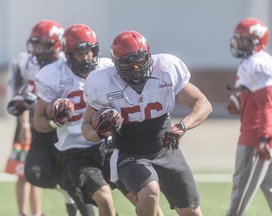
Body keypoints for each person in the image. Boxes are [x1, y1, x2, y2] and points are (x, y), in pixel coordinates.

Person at [81, 30, 212, 216]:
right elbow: (86, 126)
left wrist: (183, 126)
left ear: (148, 55)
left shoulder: (167, 68)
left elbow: (203, 104)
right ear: (116, 65)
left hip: (165, 148)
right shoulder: (102, 81)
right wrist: (100, 133)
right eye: (129, 65)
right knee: (150, 193)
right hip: (129, 152)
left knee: (192, 212)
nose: (136, 69)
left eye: (140, 62)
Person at [7, 19, 95, 216]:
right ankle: (66, 191)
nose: (37, 49)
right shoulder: (29, 62)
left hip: (68, 131)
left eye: (43, 44)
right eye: (35, 43)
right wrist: (22, 101)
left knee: (74, 180)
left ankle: (75, 198)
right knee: (34, 173)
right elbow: (28, 89)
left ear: (56, 44)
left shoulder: (68, 64)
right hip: (43, 125)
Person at [33, 23, 119, 216]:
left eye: (89, 51)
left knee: (142, 195)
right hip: (76, 150)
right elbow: (39, 123)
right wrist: (56, 121)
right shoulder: (52, 75)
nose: (86, 57)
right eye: (80, 53)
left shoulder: (108, 68)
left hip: (110, 144)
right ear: (68, 54)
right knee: (104, 199)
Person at [226, 18, 272, 216]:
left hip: (257, 138)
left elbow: (268, 104)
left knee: (239, 197)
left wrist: (263, 139)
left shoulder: (255, 64)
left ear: (256, 41)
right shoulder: (264, 60)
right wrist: (240, 97)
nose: (238, 43)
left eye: (243, 39)